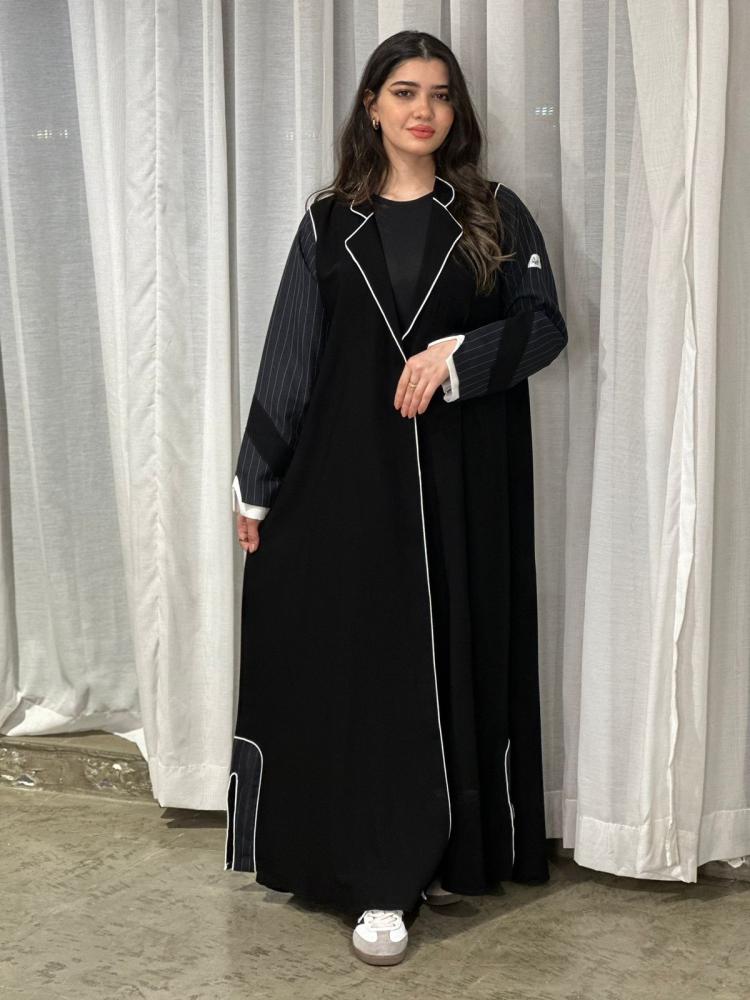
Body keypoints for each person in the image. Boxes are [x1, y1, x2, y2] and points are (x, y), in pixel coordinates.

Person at [226, 30, 568, 967]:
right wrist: (257, 485)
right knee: (367, 674)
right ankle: (378, 877)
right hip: (347, 486)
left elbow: (545, 328)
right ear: (372, 105)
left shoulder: (494, 212)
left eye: (441, 94)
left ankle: (447, 853)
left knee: (451, 661)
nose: (425, 109)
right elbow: (291, 356)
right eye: (405, 91)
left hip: (461, 489)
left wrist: (459, 356)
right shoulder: (328, 222)